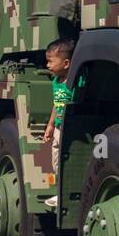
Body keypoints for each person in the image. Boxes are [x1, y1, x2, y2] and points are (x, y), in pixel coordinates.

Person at [42, 37, 75, 208]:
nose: (47, 65)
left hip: (71, 127)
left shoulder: (75, 82)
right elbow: (56, 104)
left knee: (69, 159)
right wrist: (50, 125)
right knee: (56, 159)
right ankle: (60, 191)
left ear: (66, 63)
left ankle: (66, 192)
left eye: (50, 62)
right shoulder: (56, 82)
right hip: (59, 128)